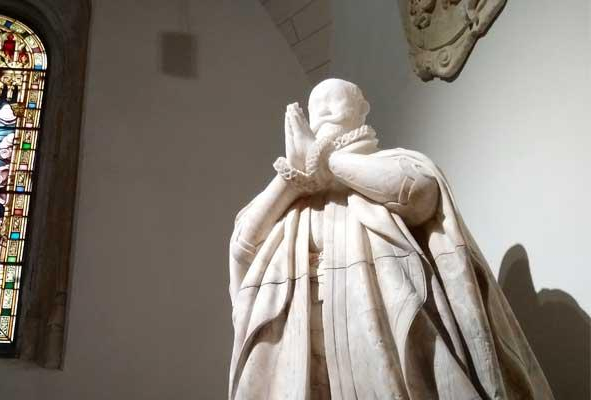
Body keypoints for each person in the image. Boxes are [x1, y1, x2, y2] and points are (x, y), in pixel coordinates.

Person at [227, 79, 553, 399]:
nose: (324, 108)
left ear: (363, 108)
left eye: (334, 99)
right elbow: (243, 246)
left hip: (379, 329)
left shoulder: (390, 164)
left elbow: (419, 194)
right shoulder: (292, 197)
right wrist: (294, 178)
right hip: (298, 342)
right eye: (317, 105)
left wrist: (325, 160)